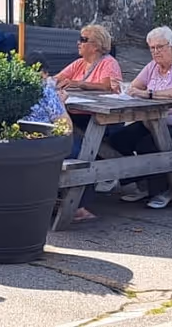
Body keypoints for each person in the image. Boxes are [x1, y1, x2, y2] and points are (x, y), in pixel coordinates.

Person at [107, 27, 172, 210]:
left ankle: (164, 190)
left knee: (149, 145)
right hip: (151, 122)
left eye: (160, 47)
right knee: (118, 139)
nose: (156, 52)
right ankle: (142, 182)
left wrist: (149, 94)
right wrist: (127, 89)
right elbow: (133, 87)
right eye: (152, 48)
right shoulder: (152, 67)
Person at [56, 24, 122, 222]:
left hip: (102, 119)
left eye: (84, 40)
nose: (79, 43)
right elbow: (57, 79)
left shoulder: (108, 63)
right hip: (79, 117)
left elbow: (110, 86)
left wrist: (81, 84)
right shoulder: (78, 64)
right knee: (67, 139)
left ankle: (80, 199)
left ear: (96, 45)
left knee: (79, 147)